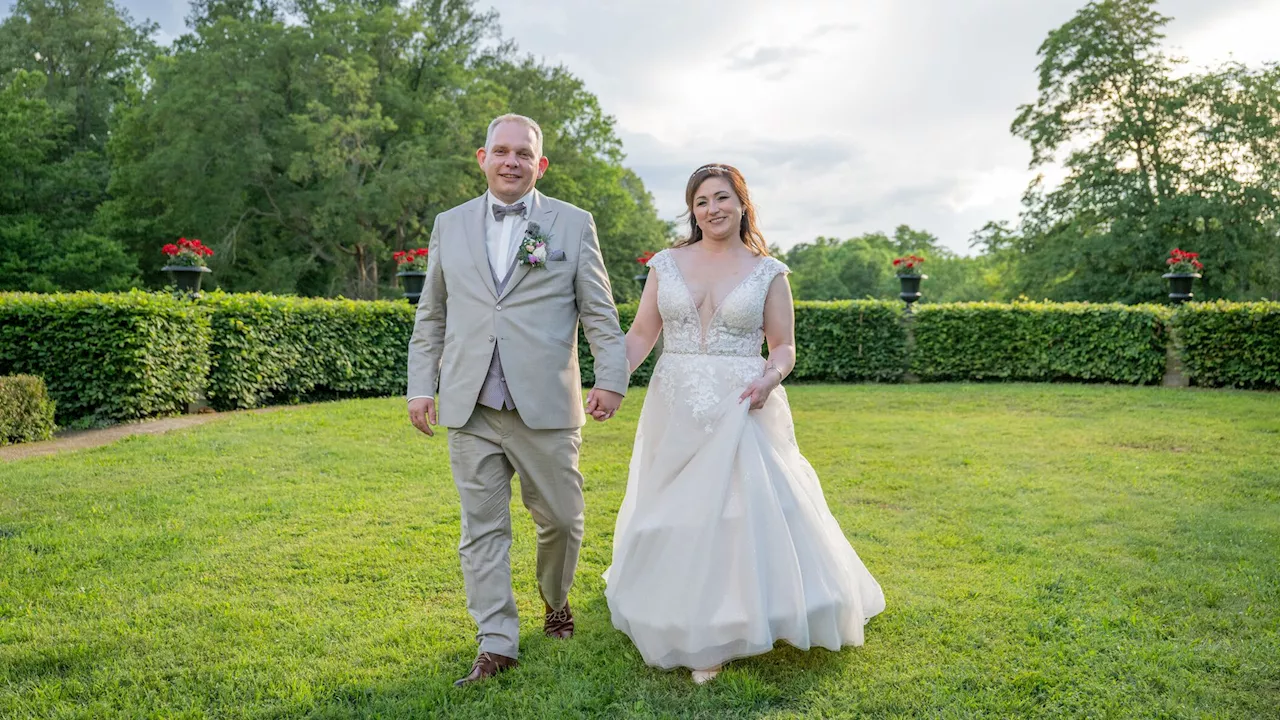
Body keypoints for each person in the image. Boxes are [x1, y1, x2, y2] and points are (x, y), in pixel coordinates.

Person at [604, 163, 885, 684]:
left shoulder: (768, 271)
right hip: (677, 400)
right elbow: (642, 333)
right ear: (692, 210)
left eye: (722, 198)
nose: (713, 209)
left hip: (743, 401)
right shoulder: (665, 264)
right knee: (673, 508)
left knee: (736, 512)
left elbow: (784, 347)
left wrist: (770, 379)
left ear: (742, 203)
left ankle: (723, 630)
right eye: (702, 201)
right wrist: (610, 379)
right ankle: (681, 613)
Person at [406, 113, 630, 687]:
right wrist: (419, 386)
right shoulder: (449, 225)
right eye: (500, 151)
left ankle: (555, 598)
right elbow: (432, 312)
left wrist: (612, 377)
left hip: (547, 406)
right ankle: (497, 642)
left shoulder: (573, 224)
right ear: (482, 158)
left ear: (541, 164)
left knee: (562, 520)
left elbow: (600, 314)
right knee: (481, 530)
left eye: (523, 154)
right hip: (470, 405)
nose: (511, 162)